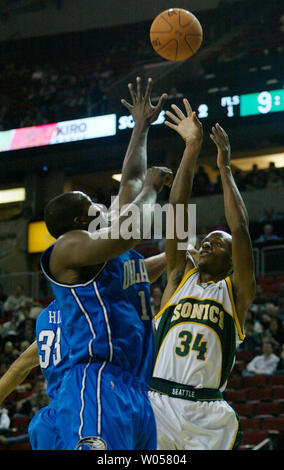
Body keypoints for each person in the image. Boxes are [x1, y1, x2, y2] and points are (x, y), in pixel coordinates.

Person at [40, 77, 172, 450]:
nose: (103, 205)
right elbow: (131, 230)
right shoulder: (68, 248)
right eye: (93, 205)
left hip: (136, 387)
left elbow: (129, 179)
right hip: (99, 380)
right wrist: (152, 189)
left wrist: (141, 127)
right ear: (81, 224)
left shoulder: (102, 243)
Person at [148, 99, 256, 450]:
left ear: (231, 262)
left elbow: (239, 230)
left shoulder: (236, 294)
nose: (207, 245)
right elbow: (176, 211)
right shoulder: (180, 277)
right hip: (158, 400)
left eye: (217, 244)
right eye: (205, 241)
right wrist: (191, 148)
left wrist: (224, 167)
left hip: (207, 411)